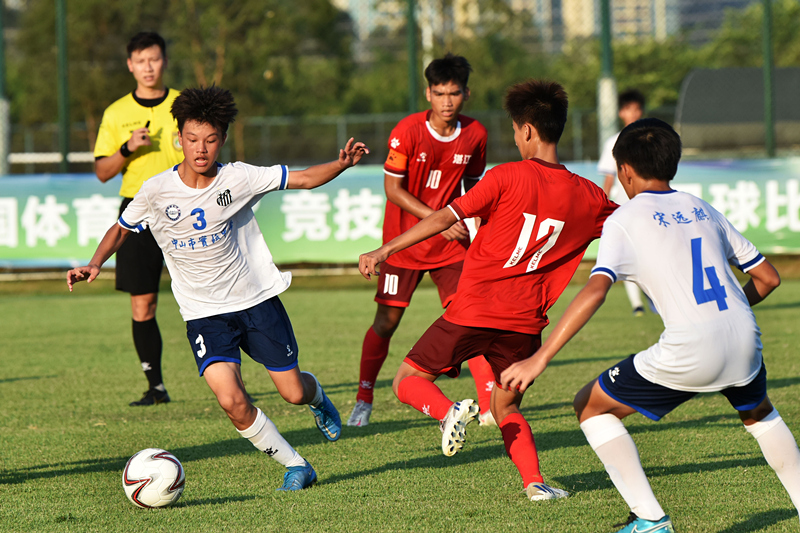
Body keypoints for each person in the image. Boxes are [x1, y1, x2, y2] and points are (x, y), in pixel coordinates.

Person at [500, 118, 800, 531]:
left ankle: (650, 519)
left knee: (590, 405)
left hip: (693, 347)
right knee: (760, 415)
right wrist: (731, 309)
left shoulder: (625, 217)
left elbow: (595, 290)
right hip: (745, 338)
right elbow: (768, 278)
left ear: (623, 169)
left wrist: (540, 358)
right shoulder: (702, 206)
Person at [69, 86, 369, 491]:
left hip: (256, 302)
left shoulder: (238, 177)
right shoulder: (156, 190)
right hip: (204, 314)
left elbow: (302, 179)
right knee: (231, 401)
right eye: (192, 139)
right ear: (179, 138)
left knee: (293, 392)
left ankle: (317, 400)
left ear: (223, 140)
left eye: (210, 140)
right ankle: (296, 465)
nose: (201, 149)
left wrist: (340, 164)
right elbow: (122, 228)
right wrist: (94, 263)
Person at [358, 80, 617, 500]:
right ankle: (535, 484)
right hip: (525, 325)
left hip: (472, 310)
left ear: (528, 131)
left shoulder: (506, 176)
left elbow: (445, 218)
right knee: (506, 407)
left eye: (516, 130)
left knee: (406, 379)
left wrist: (386, 248)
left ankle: (448, 412)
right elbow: (632, 223)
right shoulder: (590, 196)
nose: (515, 138)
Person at [347, 53, 496, 428]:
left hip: (451, 247)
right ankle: (364, 397)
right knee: (386, 322)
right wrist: (438, 219)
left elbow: (472, 187)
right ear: (428, 93)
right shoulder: (407, 131)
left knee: (470, 319)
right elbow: (392, 188)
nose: (447, 101)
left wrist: (471, 224)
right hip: (405, 243)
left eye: (455, 93)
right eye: (440, 92)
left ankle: (489, 407)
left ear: (466, 93)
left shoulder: (476, 133)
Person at [93, 32, 184, 406]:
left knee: (215, 296)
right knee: (142, 304)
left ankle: (232, 376)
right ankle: (156, 387)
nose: (148, 67)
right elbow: (102, 171)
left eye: (154, 59)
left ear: (164, 61)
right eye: (140, 60)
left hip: (187, 205)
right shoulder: (116, 113)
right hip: (138, 212)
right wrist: (127, 148)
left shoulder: (184, 103)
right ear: (130, 65)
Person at [597, 89, 649, 317]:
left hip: (648, 204)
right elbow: (609, 178)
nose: (634, 113)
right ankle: (637, 304)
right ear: (621, 112)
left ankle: (655, 302)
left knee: (648, 253)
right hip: (624, 206)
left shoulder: (650, 137)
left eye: (637, 109)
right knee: (629, 255)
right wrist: (603, 206)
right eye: (629, 109)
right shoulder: (614, 142)